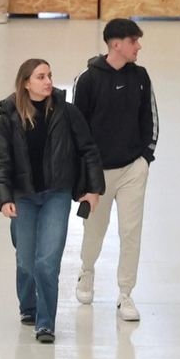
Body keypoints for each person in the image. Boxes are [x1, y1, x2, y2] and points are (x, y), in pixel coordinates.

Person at [0, 58, 104, 342]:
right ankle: (28, 307)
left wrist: (94, 189)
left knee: (47, 262)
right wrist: (4, 198)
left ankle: (45, 323)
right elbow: (0, 162)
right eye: (41, 77)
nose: (48, 81)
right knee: (26, 263)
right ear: (26, 83)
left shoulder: (67, 112)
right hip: (23, 197)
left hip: (57, 194)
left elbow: (88, 149)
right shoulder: (8, 118)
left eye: (50, 75)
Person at [71, 19, 156, 322]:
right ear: (116, 44)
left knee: (131, 231)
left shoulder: (141, 77)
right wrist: (84, 174)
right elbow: (76, 128)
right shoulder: (88, 79)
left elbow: (150, 120)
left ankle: (125, 293)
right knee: (95, 230)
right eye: (134, 41)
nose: (139, 47)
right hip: (98, 174)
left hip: (133, 168)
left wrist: (145, 158)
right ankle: (87, 270)